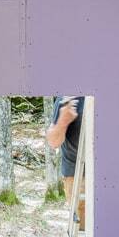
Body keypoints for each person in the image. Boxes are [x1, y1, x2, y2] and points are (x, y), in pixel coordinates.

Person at [45, 96, 87, 224]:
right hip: (78, 176)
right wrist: (64, 119)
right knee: (82, 236)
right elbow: (53, 142)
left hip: (112, 175)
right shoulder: (69, 97)